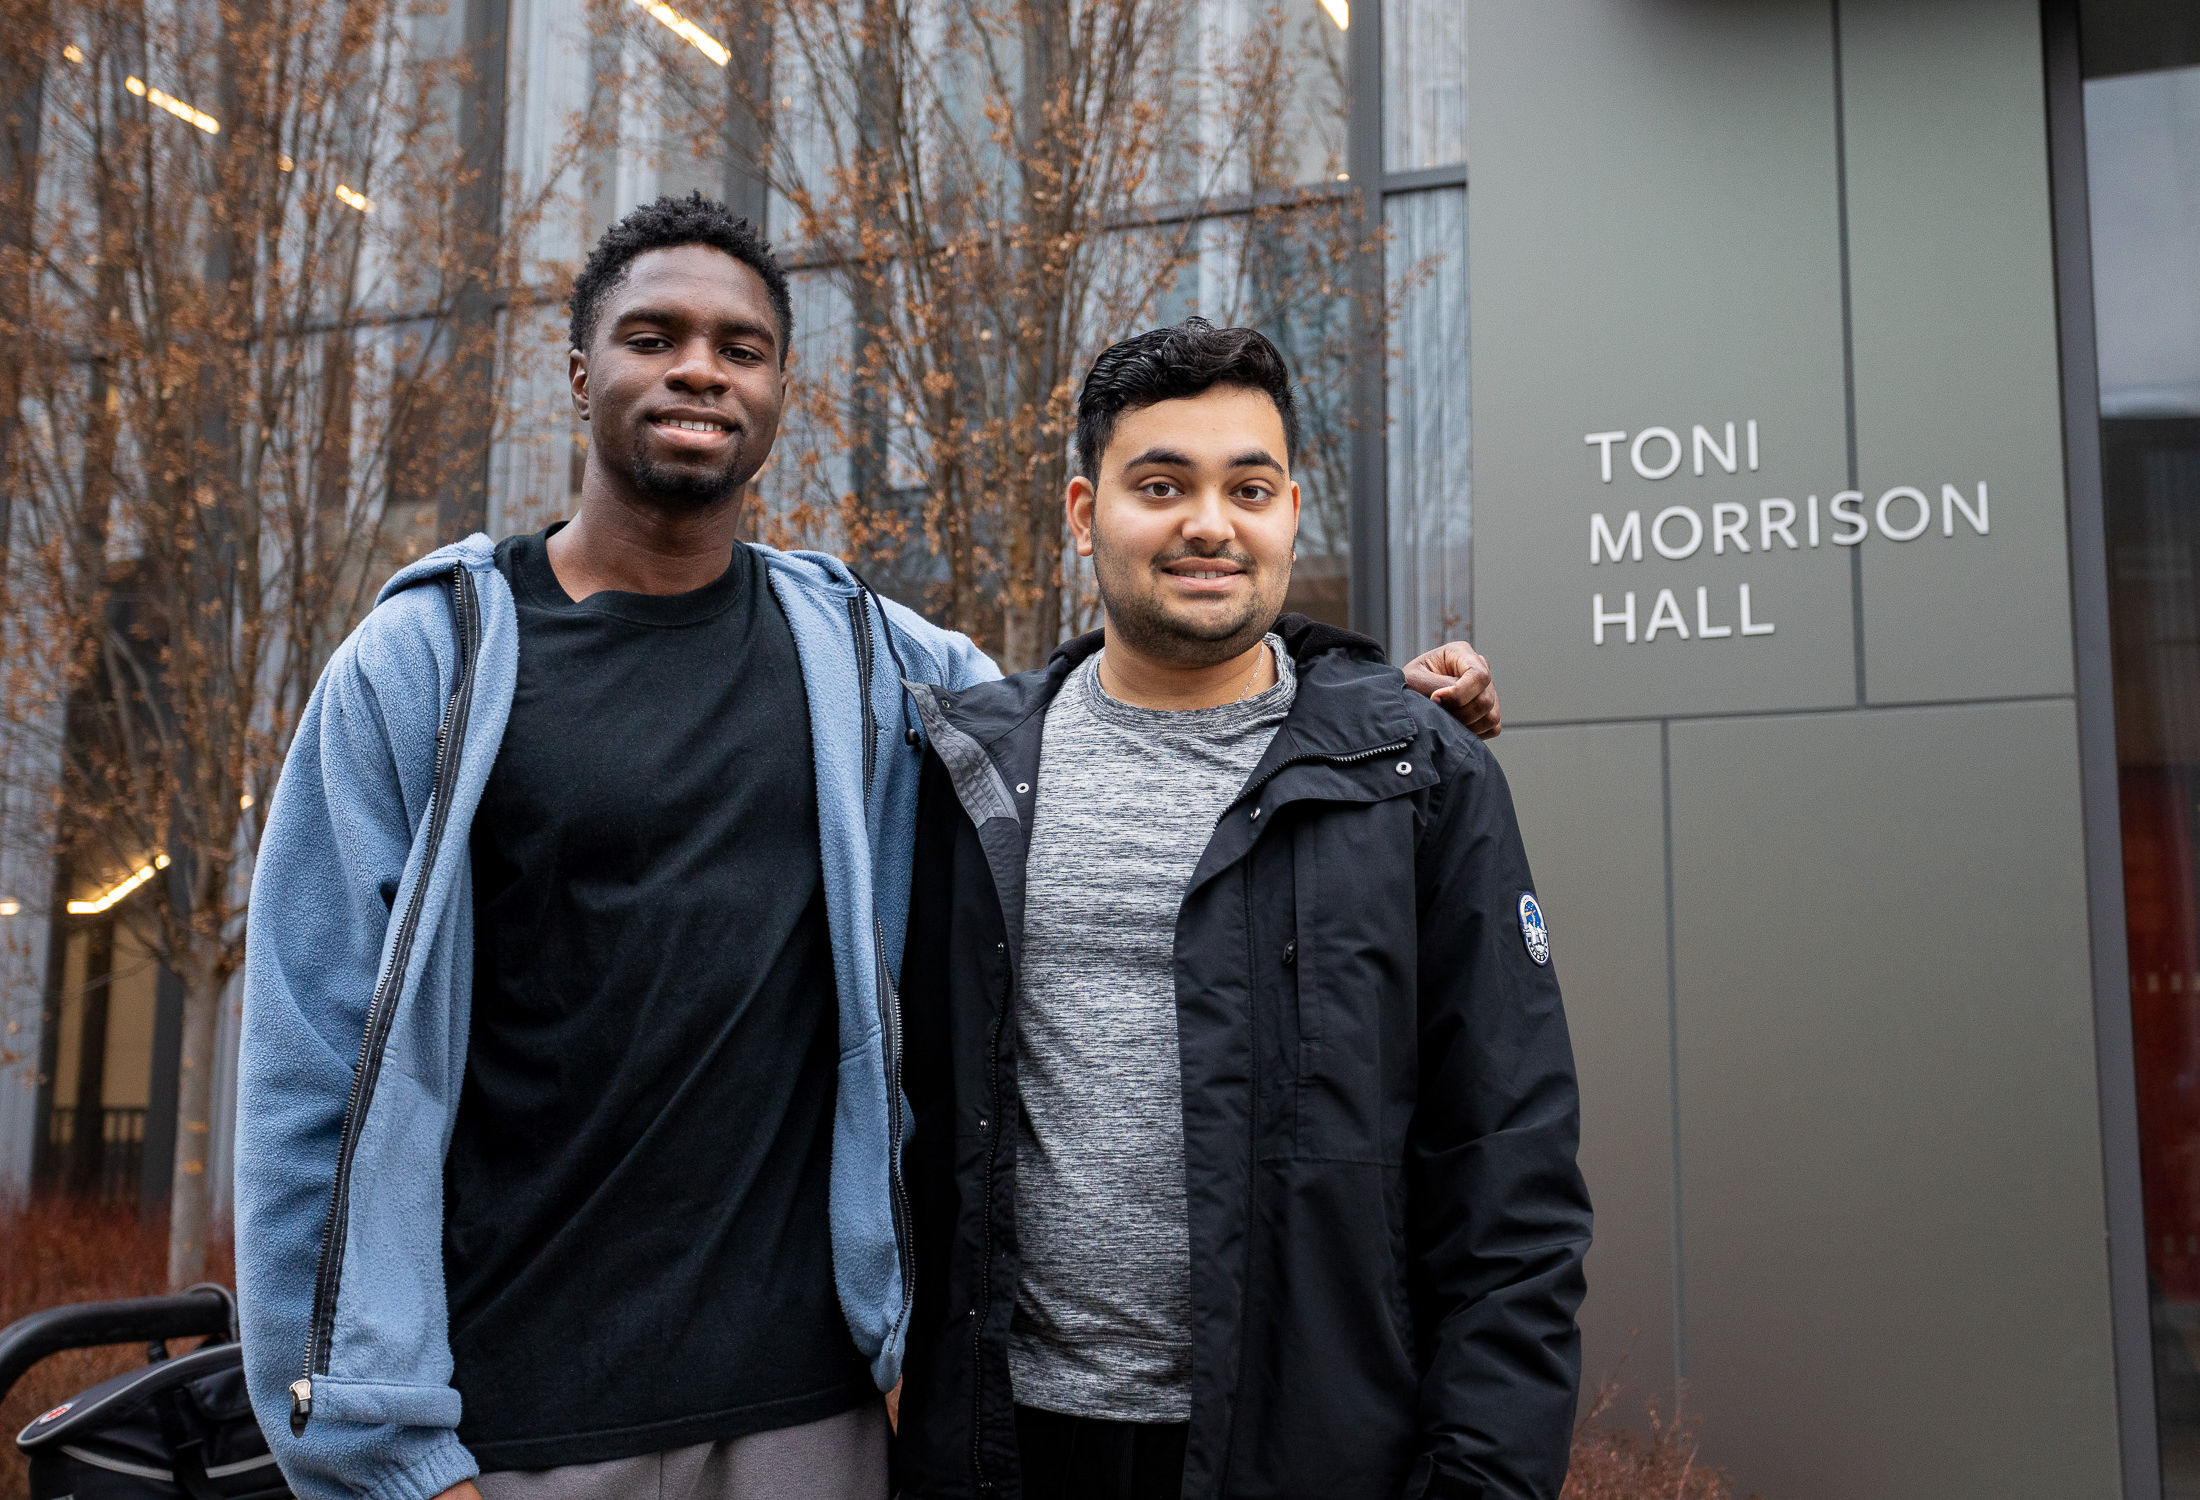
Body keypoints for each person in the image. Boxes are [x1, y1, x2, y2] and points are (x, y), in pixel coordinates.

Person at [234, 197, 1503, 1500]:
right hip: (506, 1427)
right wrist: (384, 1453)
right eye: (652, 335)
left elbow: (1115, 707)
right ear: (578, 373)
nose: (697, 369)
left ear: (779, 393)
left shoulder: (863, 661)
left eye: (741, 348)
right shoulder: (429, 665)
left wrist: (1365, 707)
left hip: (813, 1421)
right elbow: (309, 1074)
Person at [893, 320, 1590, 1500]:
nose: (1208, 523)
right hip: (1007, 1448)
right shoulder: (967, 777)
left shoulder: (1414, 780)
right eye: (1160, 484)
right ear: (1083, 510)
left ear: (1290, 511)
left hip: (1314, 1454)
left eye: (1247, 487)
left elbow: (1508, 1177)